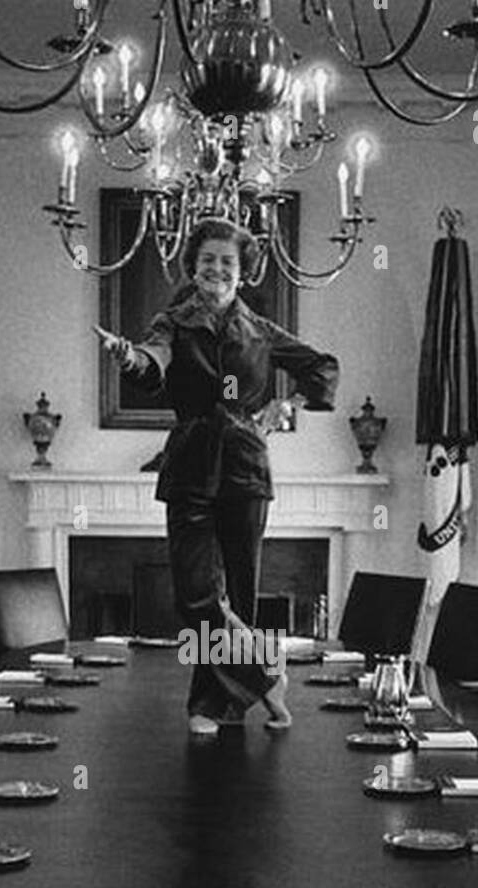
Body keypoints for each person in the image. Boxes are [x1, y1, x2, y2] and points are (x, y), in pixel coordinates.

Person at [95, 218, 339, 736]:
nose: (217, 269)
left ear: (242, 272)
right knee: (197, 596)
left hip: (246, 469)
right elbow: (152, 362)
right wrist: (128, 356)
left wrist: (286, 407)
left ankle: (216, 704)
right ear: (193, 266)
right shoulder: (173, 322)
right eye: (208, 260)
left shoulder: (262, 330)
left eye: (228, 261)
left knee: (241, 595)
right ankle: (266, 674)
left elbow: (322, 368)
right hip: (189, 465)